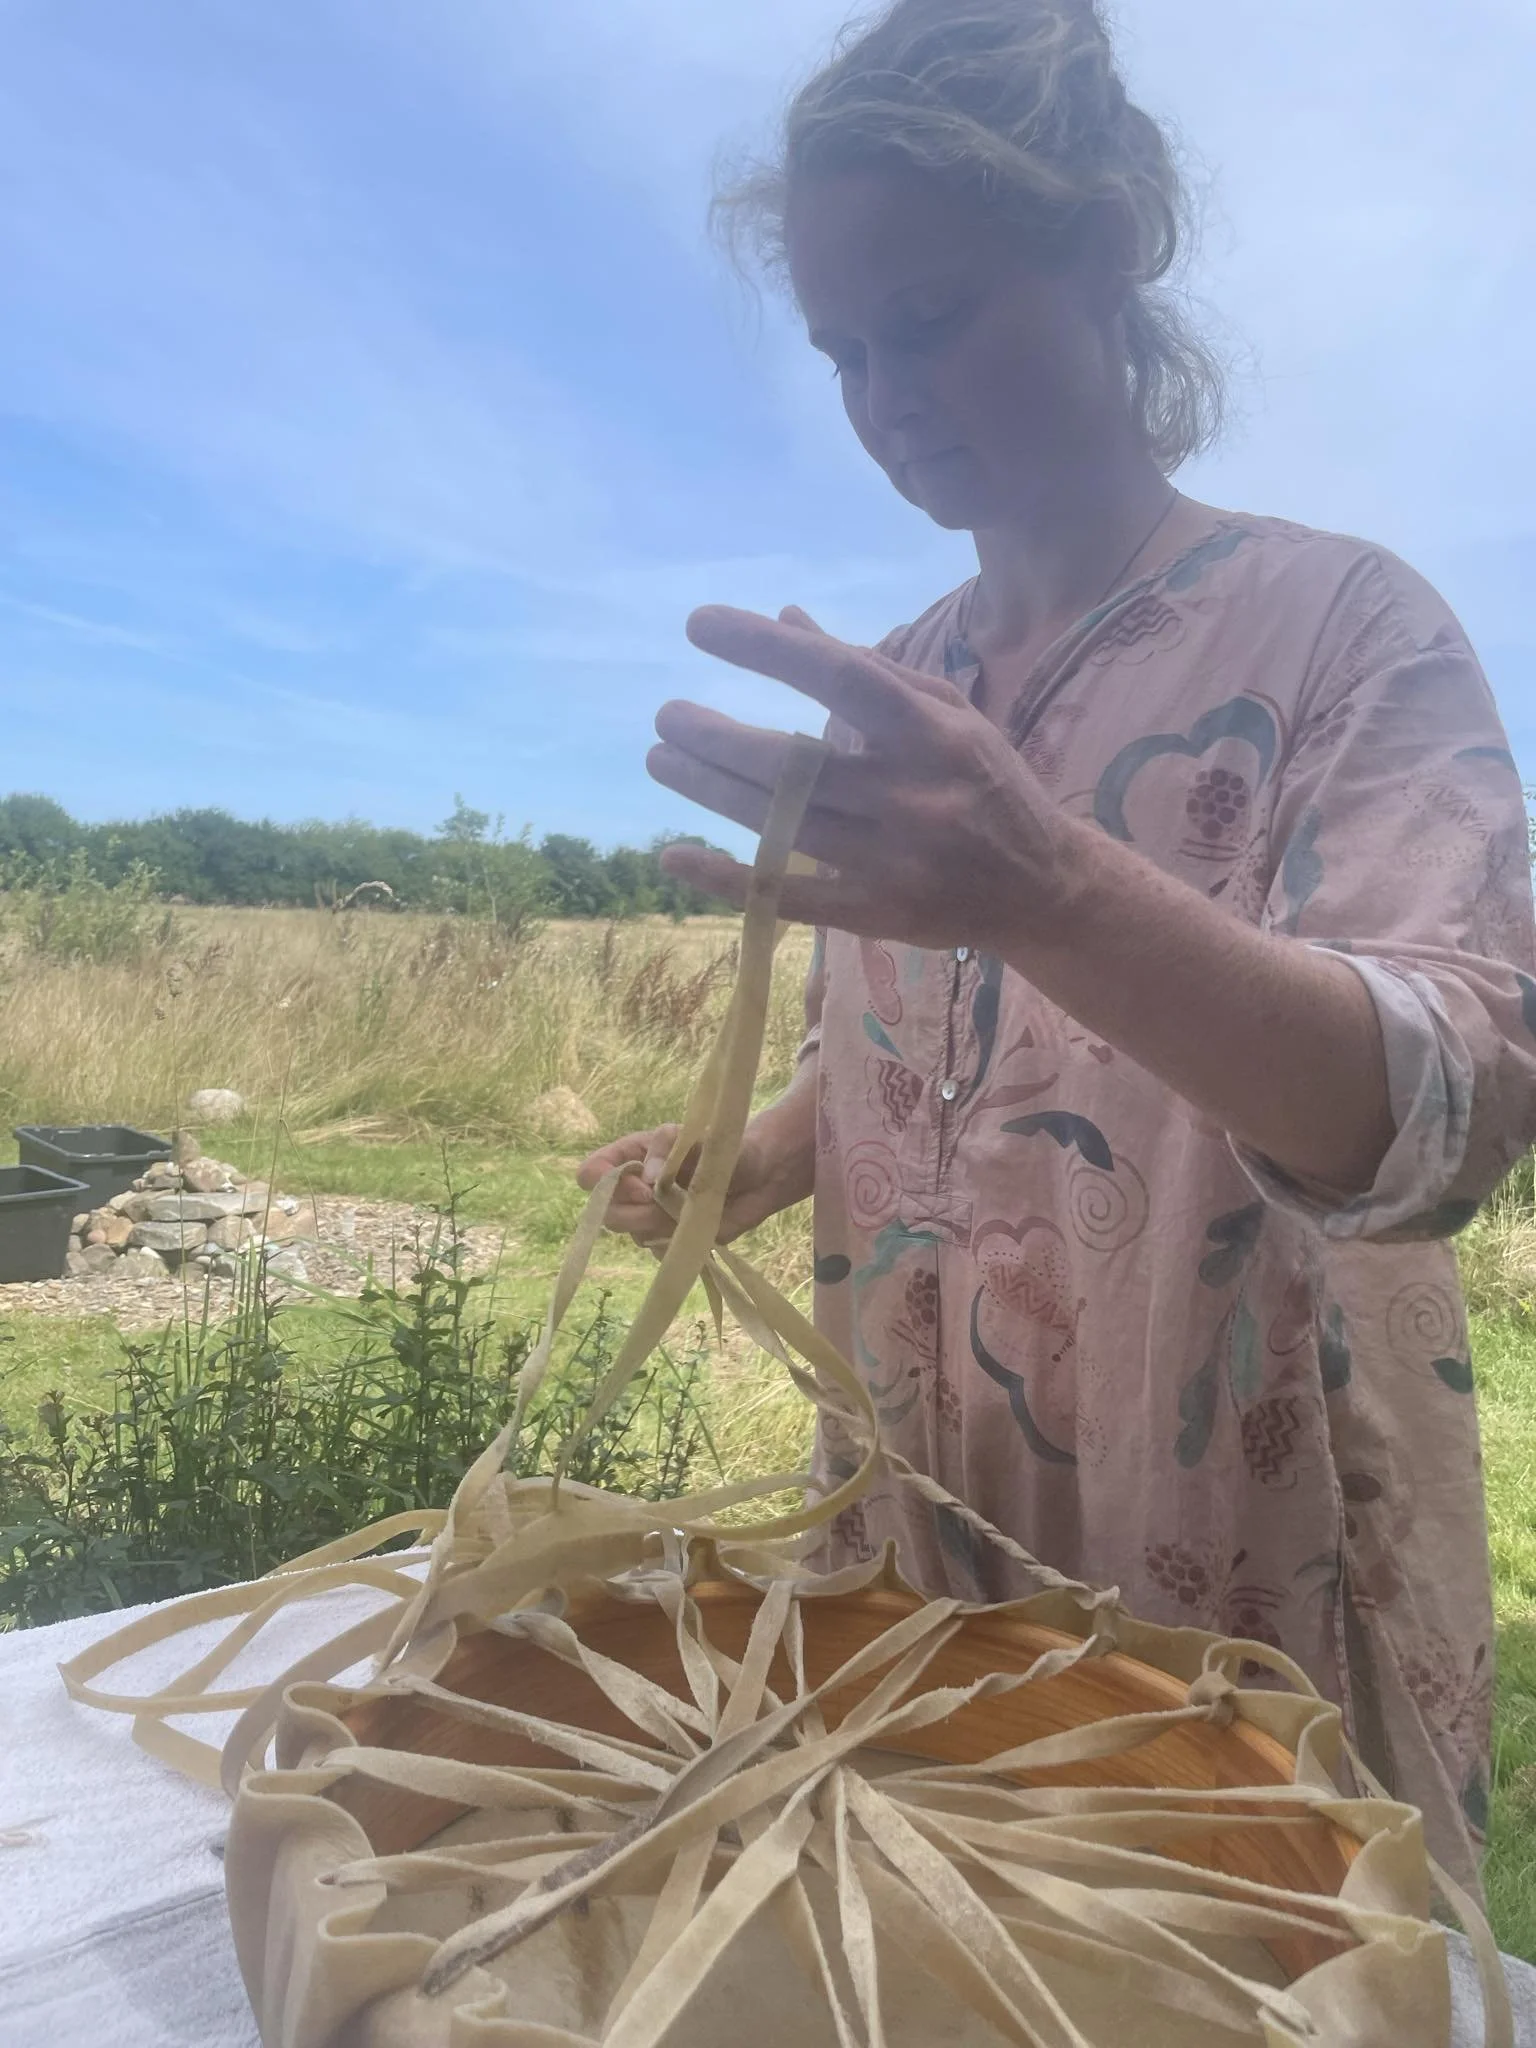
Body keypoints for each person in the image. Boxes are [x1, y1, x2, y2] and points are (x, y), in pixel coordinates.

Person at [578, 0, 1536, 1892]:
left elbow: (1447, 1111)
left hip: (1232, 1544)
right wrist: (760, 1157)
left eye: (929, 317)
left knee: (1234, 1959)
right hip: (922, 1534)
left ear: (1108, 250)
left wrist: (1054, 887)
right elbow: (922, 1042)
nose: (887, 398)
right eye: (844, 351)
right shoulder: (905, 682)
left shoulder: (1344, 630)